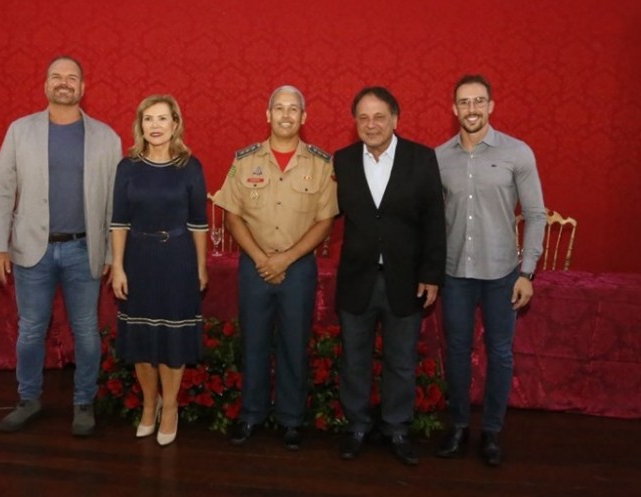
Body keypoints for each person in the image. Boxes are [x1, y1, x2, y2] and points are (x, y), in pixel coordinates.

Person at [0, 56, 122, 436]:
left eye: (72, 77)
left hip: (84, 251)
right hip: (33, 249)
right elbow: (2, 192)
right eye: (57, 77)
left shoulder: (107, 138)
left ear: (83, 87)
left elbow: (116, 204)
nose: (64, 83)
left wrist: (113, 253)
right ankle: (28, 399)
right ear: (46, 84)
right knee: (31, 330)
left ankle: (84, 402)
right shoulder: (19, 131)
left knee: (86, 331)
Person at [214, 85, 338, 450]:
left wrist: (285, 259)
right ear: (267, 116)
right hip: (254, 265)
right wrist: (260, 257)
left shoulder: (321, 164)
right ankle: (251, 415)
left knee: (293, 344)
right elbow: (232, 215)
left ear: (304, 117)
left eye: (293, 109)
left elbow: (325, 221)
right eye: (279, 108)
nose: (286, 115)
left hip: (298, 268)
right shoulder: (245, 160)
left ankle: (290, 419)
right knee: (252, 342)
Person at [435, 74, 546, 467]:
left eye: (479, 101)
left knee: (500, 354)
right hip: (454, 273)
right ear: (453, 109)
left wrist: (527, 272)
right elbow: (430, 221)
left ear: (491, 106)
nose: (472, 109)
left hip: (502, 273)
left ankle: (492, 433)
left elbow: (535, 215)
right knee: (458, 351)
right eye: (464, 102)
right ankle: (460, 426)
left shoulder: (518, 153)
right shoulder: (438, 157)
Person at [334, 86, 446, 465]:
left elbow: (434, 221)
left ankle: (397, 427)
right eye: (363, 118)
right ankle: (357, 426)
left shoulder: (421, 158)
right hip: (356, 278)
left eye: (379, 116)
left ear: (395, 119)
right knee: (354, 358)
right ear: (355, 123)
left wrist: (432, 274)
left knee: (400, 360)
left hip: (405, 279)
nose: (371, 124)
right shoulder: (342, 161)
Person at [110, 95, 208, 446]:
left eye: (162, 119)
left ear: (175, 124)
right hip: (138, 258)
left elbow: (199, 223)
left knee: (172, 340)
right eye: (148, 119)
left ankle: (170, 409)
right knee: (141, 341)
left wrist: (200, 267)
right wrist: (118, 266)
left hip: (178, 258)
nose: (155, 125)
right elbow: (118, 222)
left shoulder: (190, 166)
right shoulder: (128, 167)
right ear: (140, 125)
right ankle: (149, 405)